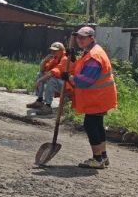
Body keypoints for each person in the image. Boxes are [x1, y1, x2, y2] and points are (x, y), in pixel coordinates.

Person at [65, 26, 118, 169]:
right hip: (101, 97)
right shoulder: (91, 51)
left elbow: (84, 80)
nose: (79, 40)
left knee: (90, 125)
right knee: (97, 125)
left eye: (83, 37)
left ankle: (97, 159)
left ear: (91, 38)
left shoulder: (95, 56)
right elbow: (83, 67)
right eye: (78, 37)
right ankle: (103, 156)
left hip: (97, 97)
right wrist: (74, 59)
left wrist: (69, 77)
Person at [28, 42, 69, 115]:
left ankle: (48, 106)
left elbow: (52, 73)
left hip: (68, 86)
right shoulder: (55, 59)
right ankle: (39, 101)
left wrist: (39, 81)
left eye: (55, 51)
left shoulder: (65, 59)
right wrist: (44, 61)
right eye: (52, 50)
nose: (52, 52)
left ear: (61, 51)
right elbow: (42, 71)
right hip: (60, 83)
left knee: (51, 79)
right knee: (40, 74)